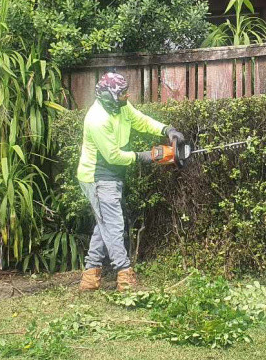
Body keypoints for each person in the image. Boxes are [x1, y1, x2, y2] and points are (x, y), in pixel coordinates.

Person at [77, 72, 185, 292]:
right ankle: (125, 276)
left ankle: (90, 278)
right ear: (109, 95)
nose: (126, 96)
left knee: (104, 225)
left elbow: (140, 120)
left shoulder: (120, 106)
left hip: (112, 175)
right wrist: (146, 156)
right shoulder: (97, 119)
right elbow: (113, 156)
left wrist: (167, 129)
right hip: (97, 176)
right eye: (122, 93)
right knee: (114, 225)